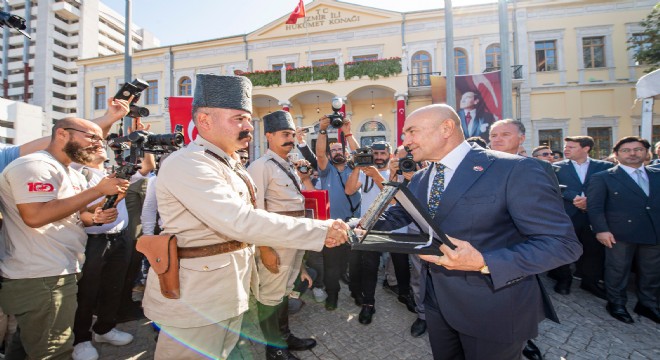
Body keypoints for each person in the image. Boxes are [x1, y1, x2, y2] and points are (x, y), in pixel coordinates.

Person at [141, 74, 349, 359]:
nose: (248, 126)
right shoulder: (188, 163)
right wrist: (320, 231)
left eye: (248, 119)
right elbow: (240, 220)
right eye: (238, 118)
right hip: (198, 296)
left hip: (229, 288)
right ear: (204, 121)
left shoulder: (228, 164)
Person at [372, 104, 582, 360]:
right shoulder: (420, 178)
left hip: (493, 307)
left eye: (412, 132)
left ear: (446, 128)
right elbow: (402, 214)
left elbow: (562, 244)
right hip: (437, 303)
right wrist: (352, 226)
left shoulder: (515, 169)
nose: (406, 142)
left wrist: (484, 262)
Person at [0, 118, 130, 359]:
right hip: (41, 275)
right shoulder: (34, 165)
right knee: (54, 350)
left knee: (28, 344)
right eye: (92, 137)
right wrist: (98, 190)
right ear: (62, 134)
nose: (97, 144)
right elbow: (35, 216)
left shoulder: (70, 171)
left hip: (59, 269)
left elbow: (81, 216)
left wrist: (104, 208)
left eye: (100, 140)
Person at [247, 110, 317, 360]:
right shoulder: (260, 166)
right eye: (284, 134)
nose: (290, 138)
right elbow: (255, 211)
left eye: (291, 134)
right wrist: (264, 248)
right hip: (275, 241)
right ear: (269, 136)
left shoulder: (288, 165)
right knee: (270, 295)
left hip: (294, 239)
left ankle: (284, 338)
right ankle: (274, 349)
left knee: (285, 291)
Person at [488, 119, 561, 360]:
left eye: (504, 134)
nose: (497, 139)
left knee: (519, 294)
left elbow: (551, 207)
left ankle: (524, 337)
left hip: (523, 240)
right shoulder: (483, 167)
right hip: (492, 239)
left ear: (521, 138)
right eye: (493, 135)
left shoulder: (538, 167)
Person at [587, 136, 660, 324]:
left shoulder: (657, 174)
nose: (633, 153)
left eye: (638, 149)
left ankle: (647, 304)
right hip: (619, 233)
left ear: (646, 153)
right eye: (626, 150)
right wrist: (601, 230)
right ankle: (616, 303)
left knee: (651, 271)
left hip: (654, 231)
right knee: (617, 270)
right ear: (617, 154)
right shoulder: (603, 177)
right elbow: (595, 207)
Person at [551, 136, 613, 298]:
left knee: (593, 250)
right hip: (567, 215)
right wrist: (573, 197)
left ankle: (590, 282)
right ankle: (564, 279)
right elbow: (552, 187)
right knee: (563, 248)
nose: (566, 149)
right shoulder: (555, 168)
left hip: (594, 216)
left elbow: (610, 189)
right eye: (566, 146)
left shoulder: (605, 166)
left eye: (571, 147)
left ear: (586, 149)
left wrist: (589, 202)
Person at [344, 141, 394, 325]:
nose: (379, 157)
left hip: (388, 226)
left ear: (389, 154)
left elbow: (393, 198)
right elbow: (349, 190)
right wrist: (357, 167)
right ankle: (362, 298)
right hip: (365, 226)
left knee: (382, 267)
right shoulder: (365, 174)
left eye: (382, 153)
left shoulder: (393, 173)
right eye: (376, 154)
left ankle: (373, 301)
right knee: (362, 266)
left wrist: (375, 175)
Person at [315, 116, 362, 311]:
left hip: (353, 224)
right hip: (332, 226)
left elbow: (360, 153)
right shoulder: (326, 171)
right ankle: (332, 295)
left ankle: (357, 293)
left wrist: (348, 132)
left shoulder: (355, 167)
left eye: (340, 149)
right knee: (332, 266)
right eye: (333, 150)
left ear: (346, 153)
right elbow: (319, 154)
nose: (336, 152)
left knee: (355, 264)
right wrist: (323, 130)